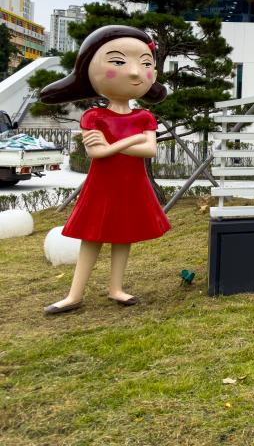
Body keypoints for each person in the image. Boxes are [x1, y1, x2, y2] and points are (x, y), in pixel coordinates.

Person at [39, 25, 168, 315]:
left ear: (154, 76)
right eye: (118, 62)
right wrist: (130, 140)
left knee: (125, 235)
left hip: (133, 185)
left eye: (145, 64)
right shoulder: (94, 115)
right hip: (102, 185)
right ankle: (74, 295)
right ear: (88, 73)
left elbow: (149, 150)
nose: (135, 73)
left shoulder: (144, 116)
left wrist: (117, 142)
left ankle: (116, 288)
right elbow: (96, 153)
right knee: (92, 236)